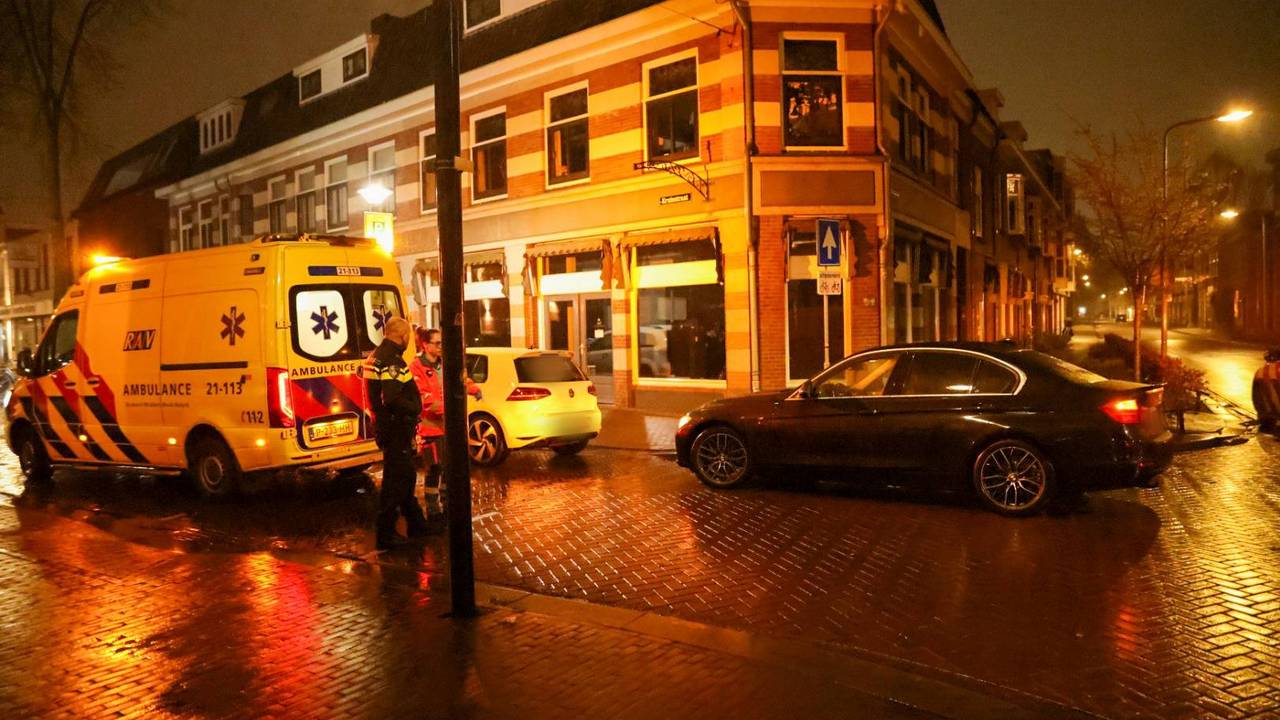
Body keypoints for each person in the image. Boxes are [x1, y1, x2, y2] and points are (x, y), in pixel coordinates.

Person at [363, 316, 427, 550]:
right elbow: (391, 398)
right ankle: (386, 533)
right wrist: (414, 408)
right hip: (396, 428)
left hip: (387, 427)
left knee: (405, 476)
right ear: (403, 336)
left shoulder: (375, 357)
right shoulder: (392, 361)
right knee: (396, 480)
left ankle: (417, 524)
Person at [410, 326, 480, 520]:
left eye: (442, 343)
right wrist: (449, 408)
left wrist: (473, 389)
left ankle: (447, 505)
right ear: (425, 345)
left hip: (448, 427)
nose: (441, 346)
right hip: (430, 429)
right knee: (434, 469)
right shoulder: (416, 367)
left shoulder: (445, 364)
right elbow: (424, 399)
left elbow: (461, 380)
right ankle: (433, 509)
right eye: (437, 343)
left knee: (449, 469)